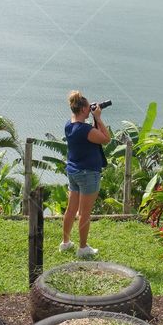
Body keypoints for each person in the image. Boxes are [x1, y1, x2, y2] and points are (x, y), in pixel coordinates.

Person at [61, 90, 110, 258]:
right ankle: (82, 248)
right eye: (88, 107)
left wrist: (93, 117)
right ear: (83, 110)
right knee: (84, 213)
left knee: (71, 209)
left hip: (73, 171)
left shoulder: (69, 125)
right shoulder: (85, 130)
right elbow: (105, 139)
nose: (90, 109)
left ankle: (65, 243)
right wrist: (98, 118)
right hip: (88, 174)